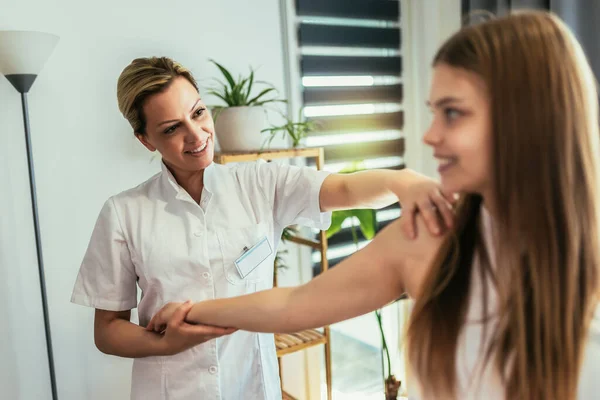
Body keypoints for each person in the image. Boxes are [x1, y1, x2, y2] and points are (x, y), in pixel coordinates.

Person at [148, 11, 600, 400]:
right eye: (433, 111)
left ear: (522, 119)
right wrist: (193, 312)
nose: (429, 135)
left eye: (453, 113)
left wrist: (400, 181)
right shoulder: (432, 239)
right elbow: (297, 303)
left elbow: (343, 191)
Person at [70, 56, 456, 400]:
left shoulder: (259, 183)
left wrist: (403, 181)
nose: (196, 134)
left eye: (199, 112)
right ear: (145, 139)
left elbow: (345, 188)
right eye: (172, 128)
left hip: (253, 385)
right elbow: (107, 331)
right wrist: (165, 345)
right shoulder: (123, 213)